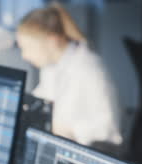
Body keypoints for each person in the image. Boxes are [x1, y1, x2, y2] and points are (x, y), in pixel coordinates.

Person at [16, 3, 123, 147]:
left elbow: (108, 130)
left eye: (28, 48)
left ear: (52, 41)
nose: (25, 56)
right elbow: (41, 101)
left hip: (87, 150)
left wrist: (68, 129)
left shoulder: (88, 68)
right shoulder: (51, 67)